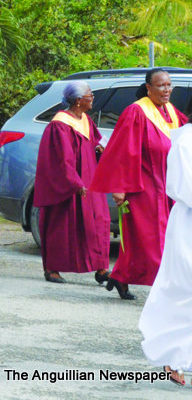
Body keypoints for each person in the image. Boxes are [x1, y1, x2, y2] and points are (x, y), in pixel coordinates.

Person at [90, 68, 188, 300]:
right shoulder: (136, 112)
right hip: (143, 187)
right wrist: (119, 187)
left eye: (169, 85)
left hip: (167, 186)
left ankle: (121, 276)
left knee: (145, 240)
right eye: (161, 85)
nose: (167, 90)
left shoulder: (171, 112)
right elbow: (123, 151)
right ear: (148, 88)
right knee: (155, 240)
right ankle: (167, 289)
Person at [33, 82, 110, 285]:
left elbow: (92, 142)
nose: (92, 98)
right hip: (70, 185)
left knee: (98, 223)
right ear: (78, 100)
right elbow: (61, 159)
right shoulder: (60, 124)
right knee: (63, 227)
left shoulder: (85, 119)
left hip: (90, 181)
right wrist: (75, 183)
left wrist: (99, 150)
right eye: (89, 95)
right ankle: (52, 269)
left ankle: (101, 268)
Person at [139, 123, 192, 387]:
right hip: (188, 226)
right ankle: (172, 354)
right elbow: (185, 187)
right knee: (183, 290)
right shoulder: (185, 142)